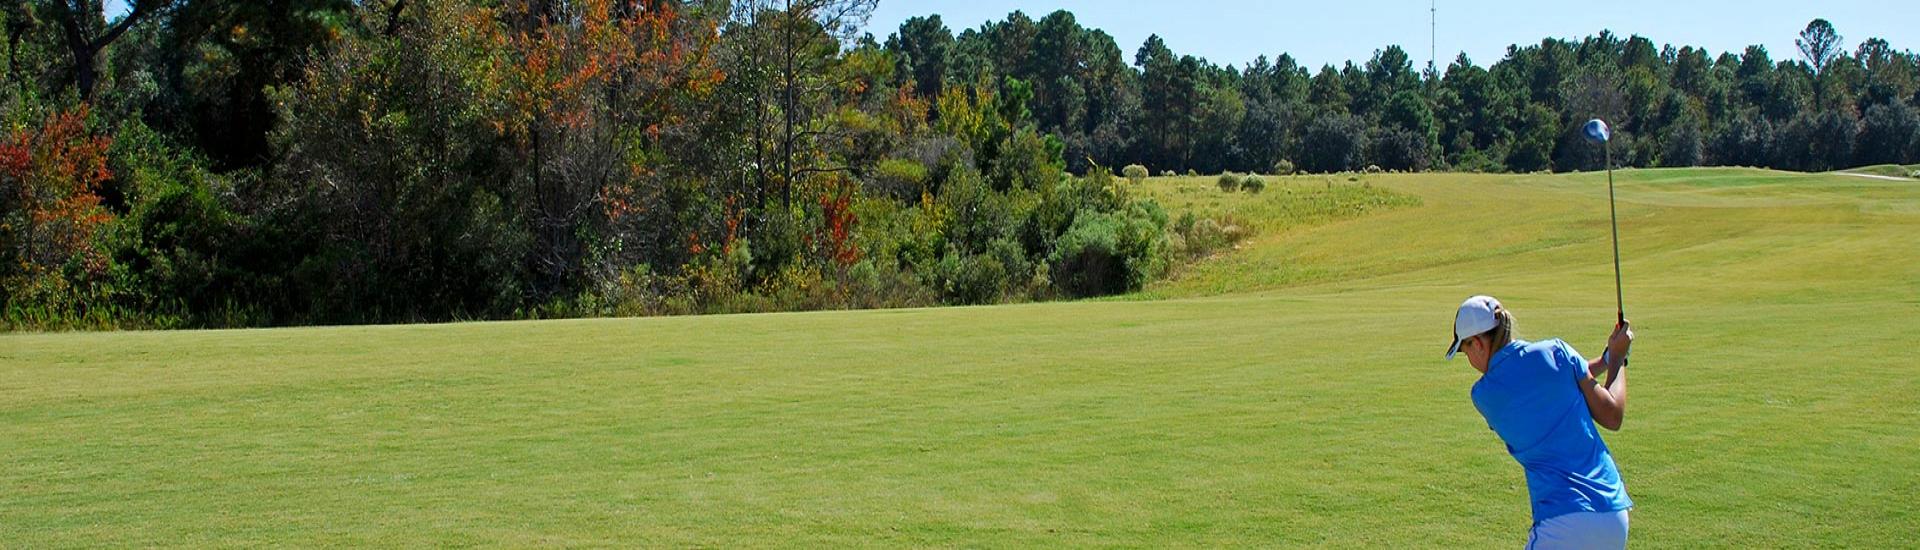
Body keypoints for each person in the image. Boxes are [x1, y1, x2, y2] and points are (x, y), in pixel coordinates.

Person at [1445, 295, 1635, 549]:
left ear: (1478, 343)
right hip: (1613, 514)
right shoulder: (1557, 352)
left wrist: (1610, 359)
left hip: (1562, 523)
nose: (1467, 359)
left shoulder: (1484, 396)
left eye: (1465, 349)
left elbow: (1538, 384)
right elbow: (1611, 414)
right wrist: (1616, 359)